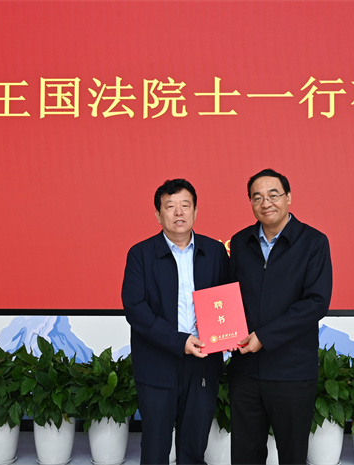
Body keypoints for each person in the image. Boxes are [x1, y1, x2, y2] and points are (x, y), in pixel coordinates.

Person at [228, 168, 333, 465]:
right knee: (245, 456)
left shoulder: (313, 242)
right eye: (257, 197)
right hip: (246, 371)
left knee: (292, 455)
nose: (266, 203)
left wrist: (264, 336)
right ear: (250, 202)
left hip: (292, 372)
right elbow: (228, 296)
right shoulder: (240, 242)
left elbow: (316, 302)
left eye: (273, 195)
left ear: (288, 197)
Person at [122, 178, 229, 465]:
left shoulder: (215, 252)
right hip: (157, 363)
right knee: (155, 448)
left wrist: (226, 335)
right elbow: (135, 309)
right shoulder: (141, 254)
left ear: (195, 211)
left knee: (194, 447)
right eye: (170, 206)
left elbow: (226, 300)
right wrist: (179, 341)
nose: (178, 212)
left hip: (203, 362)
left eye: (185, 205)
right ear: (158, 214)